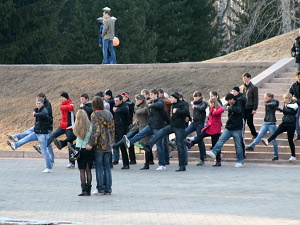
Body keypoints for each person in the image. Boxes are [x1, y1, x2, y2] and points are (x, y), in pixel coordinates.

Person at [142, 92, 190, 172]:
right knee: (161, 132)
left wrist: (177, 111)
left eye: (171, 98)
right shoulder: (173, 105)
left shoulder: (183, 104)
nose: (169, 99)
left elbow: (186, 112)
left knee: (180, 145)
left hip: (179, 127)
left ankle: (182, 166)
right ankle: (148, 145)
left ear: (175, 98)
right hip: (172, 125)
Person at [123, 89, 166, 170]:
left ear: (156, 95)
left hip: (157, 127)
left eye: (152, 94)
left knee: (159, 146)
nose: (151, 96)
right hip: (150, 125)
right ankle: (130, 142)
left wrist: (150, 105)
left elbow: (159, 105)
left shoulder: (160, 101)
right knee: (140, 134)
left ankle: (162, 165)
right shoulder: (151, 102)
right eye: (150, 94)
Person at [7, 92, 54, 159]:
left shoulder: (47, 105)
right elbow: (36, 110)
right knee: (28, 135)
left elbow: (44, 114)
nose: (38, 101)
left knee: (48, 145)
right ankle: (16, 141)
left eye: (40, 98)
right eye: (37, 99)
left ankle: (50, 161)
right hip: (39, 127)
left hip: (46, 128)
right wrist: (36, 111)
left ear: (44, 98)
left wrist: (35, 114)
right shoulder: (41, 105)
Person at [206, 93, 245, 168]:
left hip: (237, 128)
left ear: (233, 99)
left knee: (238, 145)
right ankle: (214, 152)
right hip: (229, 127)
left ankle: (240, 161)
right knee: (221, 140)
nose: (229, 102)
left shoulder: (239, 103)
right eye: (228, 101)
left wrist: (229, 108)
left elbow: (238, 110)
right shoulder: (228, 105)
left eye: (230, 100)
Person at [86, 97, 114, 195]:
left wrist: (90, 143)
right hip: (108, 144)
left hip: (99, 145)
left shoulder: (95, 115)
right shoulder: (109, 114)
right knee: (107, 166)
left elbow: (96, 131)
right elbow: (112, 129)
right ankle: (108, 189)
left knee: (99, 167)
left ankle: (100, 188)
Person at [185, 98, 224, 166]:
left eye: (212, 103)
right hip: (209, 127)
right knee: (200, 135)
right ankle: (191, 143)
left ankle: (218, 161)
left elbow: (221, 110)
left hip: (215, 129)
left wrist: (213, 112)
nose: (211, 104)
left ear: (215, 103)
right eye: (210, 103)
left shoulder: (217, 108)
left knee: (214, 144)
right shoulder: (210, 109)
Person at [262, 93, 298, 161]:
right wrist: (278, 109)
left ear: (289, 99)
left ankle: (293, 156)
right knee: (276, 132)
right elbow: (285, 111)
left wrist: (287, 105)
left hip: (291, 124)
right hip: (284, 123)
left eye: (285, 98)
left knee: (290, 140)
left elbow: (294, 107)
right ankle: (268, 141)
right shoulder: (286, 104)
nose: (284, 100)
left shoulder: (294, 104)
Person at [245, 93, 279, 161]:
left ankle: (276, 154)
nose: (265, 99)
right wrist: (267, 103)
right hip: (265, 123)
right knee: (259, 135)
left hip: (272, 123)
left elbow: (275, 104)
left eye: (266, 97)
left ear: (270, 97)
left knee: (273, 139)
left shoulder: (274, 102)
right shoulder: (267, 102)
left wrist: (268, 104)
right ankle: (252, 146)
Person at [47, 92, 76, 168]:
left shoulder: (70, 103)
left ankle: (72, 162)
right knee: (53, 135)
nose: (61, 99)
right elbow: (63, 107)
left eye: (62, 97)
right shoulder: (64, 104)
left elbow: (71, 107)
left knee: (70, 144)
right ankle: (43, 146)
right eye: (60, 97)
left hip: (69, 127)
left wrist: (63, 107)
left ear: (65, 97)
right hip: (62, 125)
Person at [71, 110, 93, 196]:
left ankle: (83, 190)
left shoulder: (76, 126)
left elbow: (74, 135)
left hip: (79, 148)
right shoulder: (90, 126)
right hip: (88, 148)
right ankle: (89, 189)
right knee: (88, 170)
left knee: (82, 170)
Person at [185, 91, 207, 166]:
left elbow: (202, 108)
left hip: (200, 124)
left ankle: (202, 158)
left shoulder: (203, 102)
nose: (194, 98)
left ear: (200, 96)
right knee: (185, 132)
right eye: (194, 97)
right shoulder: (194, 103)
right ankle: (176, 142)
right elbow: (195, 114)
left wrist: (195, 106)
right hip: (194, 122)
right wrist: (190, 119)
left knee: (200, 140)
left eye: (196, 96)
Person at [33, 98, 53, 173]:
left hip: (42, 133)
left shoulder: (44, 110)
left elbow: (43, 115)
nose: (38, 105)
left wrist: (35, 114)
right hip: (38, 132)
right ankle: (16, 143)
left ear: (43, 104)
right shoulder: (38, 110)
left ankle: (49, 167)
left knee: (45, 150)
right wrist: (35, 111)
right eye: (37, 103)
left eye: (39, 103)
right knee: (26, 138)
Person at [112, 95, 130, 169]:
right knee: (115, 145)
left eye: (117, 101)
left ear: (121, 100)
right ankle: (115, 160)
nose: (115, 102)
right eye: (115, 101)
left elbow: (126, 109)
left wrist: (117, 110)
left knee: (122, 146)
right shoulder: (115, 106)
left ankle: (126, 164)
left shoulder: (124, 106)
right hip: (116, 127)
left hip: (122, 128)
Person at [240, 73, 258, 139]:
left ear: (249, 78)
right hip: (243, 107)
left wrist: (254, 108)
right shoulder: (242, 87)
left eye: (245, 78)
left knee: (249, 122)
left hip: (250, 107)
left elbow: (255, 99)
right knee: (242, 122)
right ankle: (242, 135)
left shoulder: (254, 87)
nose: (244, 80)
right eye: (243, 78)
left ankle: (254, 134)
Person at [122, 92, 136, 164]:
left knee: (129, 140)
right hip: (125, 124)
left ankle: (132, 159)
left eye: (123, 97)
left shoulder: (129, 104)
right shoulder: (124, 104)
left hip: (129, 124)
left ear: (127, 97)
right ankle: (131, 158)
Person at [158, 89, 172, 164]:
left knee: (164, 141)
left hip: (165, 122)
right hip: (159, 123)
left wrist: (161, 100)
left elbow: (170, 102)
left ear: (162, 94)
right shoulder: (158, 101)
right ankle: (163, 158)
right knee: (161, 141)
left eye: (158, 94)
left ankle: (166, 159)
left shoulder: (165, 101)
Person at [289, 72, 300, 140]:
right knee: (295, 119)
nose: (299, 77)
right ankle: (298, 134)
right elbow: (290, 94)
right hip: (296, 105)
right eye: (298, 76)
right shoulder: (294, 85)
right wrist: (292, 98)